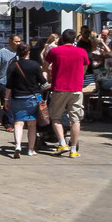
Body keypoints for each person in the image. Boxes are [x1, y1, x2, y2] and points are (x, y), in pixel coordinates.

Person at [44, 29, 89, 158]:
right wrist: (80, 76)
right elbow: (85, 66)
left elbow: (45, 66)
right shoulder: (82, 52)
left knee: (56, 117)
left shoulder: (55, 51)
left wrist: (50, 76)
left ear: (62, 39)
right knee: (75, 120)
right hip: (76, 88)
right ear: (75, 39)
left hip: (59, 88)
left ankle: (62, 142)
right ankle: (73, 149)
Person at [4, 41, 45, 157]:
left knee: (18, 122)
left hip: (17, 97)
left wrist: (6, 100)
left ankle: (17, 145)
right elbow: (42, 81)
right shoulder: (35, 65)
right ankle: (31, 150)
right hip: (33, 98)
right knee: (32, 124)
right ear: (28, 52)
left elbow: (9, 85)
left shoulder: (13, 65)